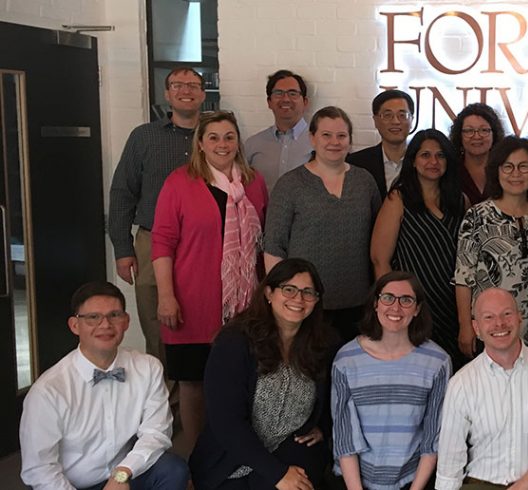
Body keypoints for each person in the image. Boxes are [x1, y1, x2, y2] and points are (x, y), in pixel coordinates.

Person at [151, 110, 268, 453]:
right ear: (200, 143)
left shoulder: (254, 182)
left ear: (238, 142)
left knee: (242, 381)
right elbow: (162, 242)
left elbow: (264, 243)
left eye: (229, 137)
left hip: (244, 305)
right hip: (192, 301)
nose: (222, 144)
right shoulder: (180, 182)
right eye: (213, 137)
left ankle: (237, 455)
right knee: (193, 384)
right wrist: (166, 296)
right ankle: (197, 456)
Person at [20, 281, 189, 490]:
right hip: (68, 484)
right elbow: (39, 468)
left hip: (122, 477)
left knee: (173, 470)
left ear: (126, 321)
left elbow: (156, 433)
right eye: (93, 317)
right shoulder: (49, 390)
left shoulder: (148, 368)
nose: (106, 325)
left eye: (115, 315)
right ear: (75, 325)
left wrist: (123, 473)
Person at [190, 258, 335, 490]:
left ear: (316, 300)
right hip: (232, 457)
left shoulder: (322, 345)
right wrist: (277, 474)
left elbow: (335, 397)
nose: (298, 299)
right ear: (269, 292)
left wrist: (324, 428)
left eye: (308, 292)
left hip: (290, 448)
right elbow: (226, 422)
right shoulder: (235, 342)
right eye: (289, 289)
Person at [108, 66, 206, 362]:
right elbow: (123, 192)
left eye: (192, 85)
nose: (185, 90)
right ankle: (163, 401)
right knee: (157, 322)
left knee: (200, 318)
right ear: (167, 94)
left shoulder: (218, 137)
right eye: (178, 85)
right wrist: (123, 249)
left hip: (203, 243)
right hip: (151, 242)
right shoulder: (144, 137)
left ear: (203, 94)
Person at [263, 106, 381, 345]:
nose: (334, 142)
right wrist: (283, 297)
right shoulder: (290, 184)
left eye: (341, 135)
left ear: (350, 140)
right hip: (305, 303)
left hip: (357, 302)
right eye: (326, 135)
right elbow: (274, 246)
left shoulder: (364, 181)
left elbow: (378, 240)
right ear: (312, 138)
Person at [435, 288, 528, 490]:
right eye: (488, 317)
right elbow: (450, 465)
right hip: (480, 484)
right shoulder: (461, 383)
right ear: (476, 328)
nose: (499, 323)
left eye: (507, 314)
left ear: (519, 318)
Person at [331, 271, 451, 490]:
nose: (395, 308)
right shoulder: (346, 359)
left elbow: (433, 437)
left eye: (406, 300)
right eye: (387, 298)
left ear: (417, 309)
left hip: (412, 481)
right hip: (355, 482)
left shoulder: (438, 362)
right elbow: (345, 438)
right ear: (376, 304)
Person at [371, 129, 465, 366]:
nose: (433, 162)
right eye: (425, 155)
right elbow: (379, 260)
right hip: (413, 304)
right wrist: (393, 304)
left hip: (453, 305)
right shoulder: (398, 199)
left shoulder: (461, 201)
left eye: (440, 155)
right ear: (413, 161)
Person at [454, 136, 528, 361]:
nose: (516, 173)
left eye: (524, 166)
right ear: (496, 171)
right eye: (508, 167)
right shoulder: (476, 216)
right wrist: (466, 325)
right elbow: (463, 278)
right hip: (489, 327)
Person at [244, 69, 314, 192]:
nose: (286, 99)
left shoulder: (319, 143)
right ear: (269, 102)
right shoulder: (252, 145)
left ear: (305, 102)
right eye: (278, 93)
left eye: (293, 93)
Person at [348, 89, 416, 199]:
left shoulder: (424, 162)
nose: (396, 121)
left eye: (402, 115)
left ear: (412, 120)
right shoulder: (356, 164)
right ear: (375, 121)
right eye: (387, 115)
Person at [450, 103, 506, 205]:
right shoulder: (449, 170)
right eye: (469, 130)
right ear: (460, 135)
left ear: (494, 134)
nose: (476, 136)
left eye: (484, 130)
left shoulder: (506, 169)